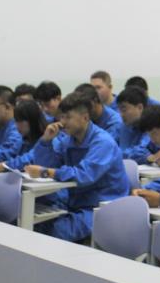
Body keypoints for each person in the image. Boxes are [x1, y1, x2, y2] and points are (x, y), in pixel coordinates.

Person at [27, 92, 130, 242]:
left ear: (85, 118)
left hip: (102, 207)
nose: (62, 122)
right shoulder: (68, 141)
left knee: (55, 232)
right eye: (61, 117)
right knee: (34, 224)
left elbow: (84, 175)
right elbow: (49, 165)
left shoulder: (103, 142)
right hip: (76, 204)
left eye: (68, 117)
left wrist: (46, 172)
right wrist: (45, 142)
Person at [115, 85, 154, 162]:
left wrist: (118, 154)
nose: (121, 114)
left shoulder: (153, 126)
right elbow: (109, 147)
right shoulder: (123, 126)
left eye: (124, 110)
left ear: (140, 108)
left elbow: (142, 151)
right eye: (119, 110)